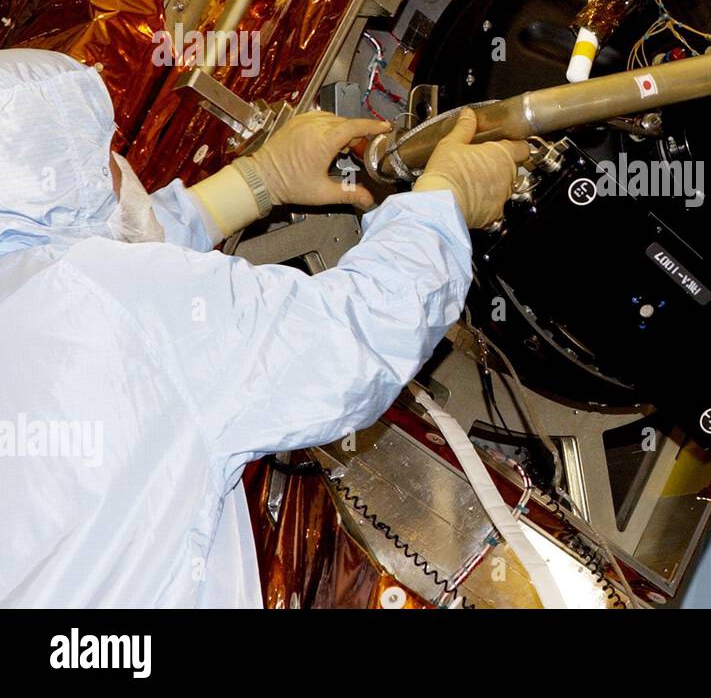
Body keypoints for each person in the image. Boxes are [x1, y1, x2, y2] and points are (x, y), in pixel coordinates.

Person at [0, 48, 526, 607]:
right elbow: (357, 336)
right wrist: (443, 205)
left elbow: (107, 272)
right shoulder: (124, 300)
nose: (115, 166)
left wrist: (259, 180)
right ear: (63, 170)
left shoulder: (35, 286)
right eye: (101, 150)